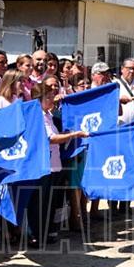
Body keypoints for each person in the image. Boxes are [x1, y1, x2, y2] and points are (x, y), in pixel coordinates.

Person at [27, 78, 87, 246]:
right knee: (39, 202)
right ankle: (35, 235)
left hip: (53, 163)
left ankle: (45, 232)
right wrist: (74, 135)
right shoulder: (38, 116)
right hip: (43, 165)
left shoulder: (49, 115)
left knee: (49, 201)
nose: (51, 99)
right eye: (47, 97)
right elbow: (51, 138)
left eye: (51, 96)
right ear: (38, 99)